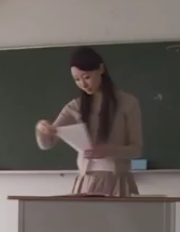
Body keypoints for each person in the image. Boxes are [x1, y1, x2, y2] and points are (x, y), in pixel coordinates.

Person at [35, 46, 143, 196]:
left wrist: (108, 150)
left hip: (118, 181)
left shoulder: (128, 103)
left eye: (86, 77)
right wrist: (42, 128)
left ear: (101, 69)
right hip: (86, 182)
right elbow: (47, 143)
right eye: (77, 80)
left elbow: (136, 150)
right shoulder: (74, 107)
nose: (83, 84)